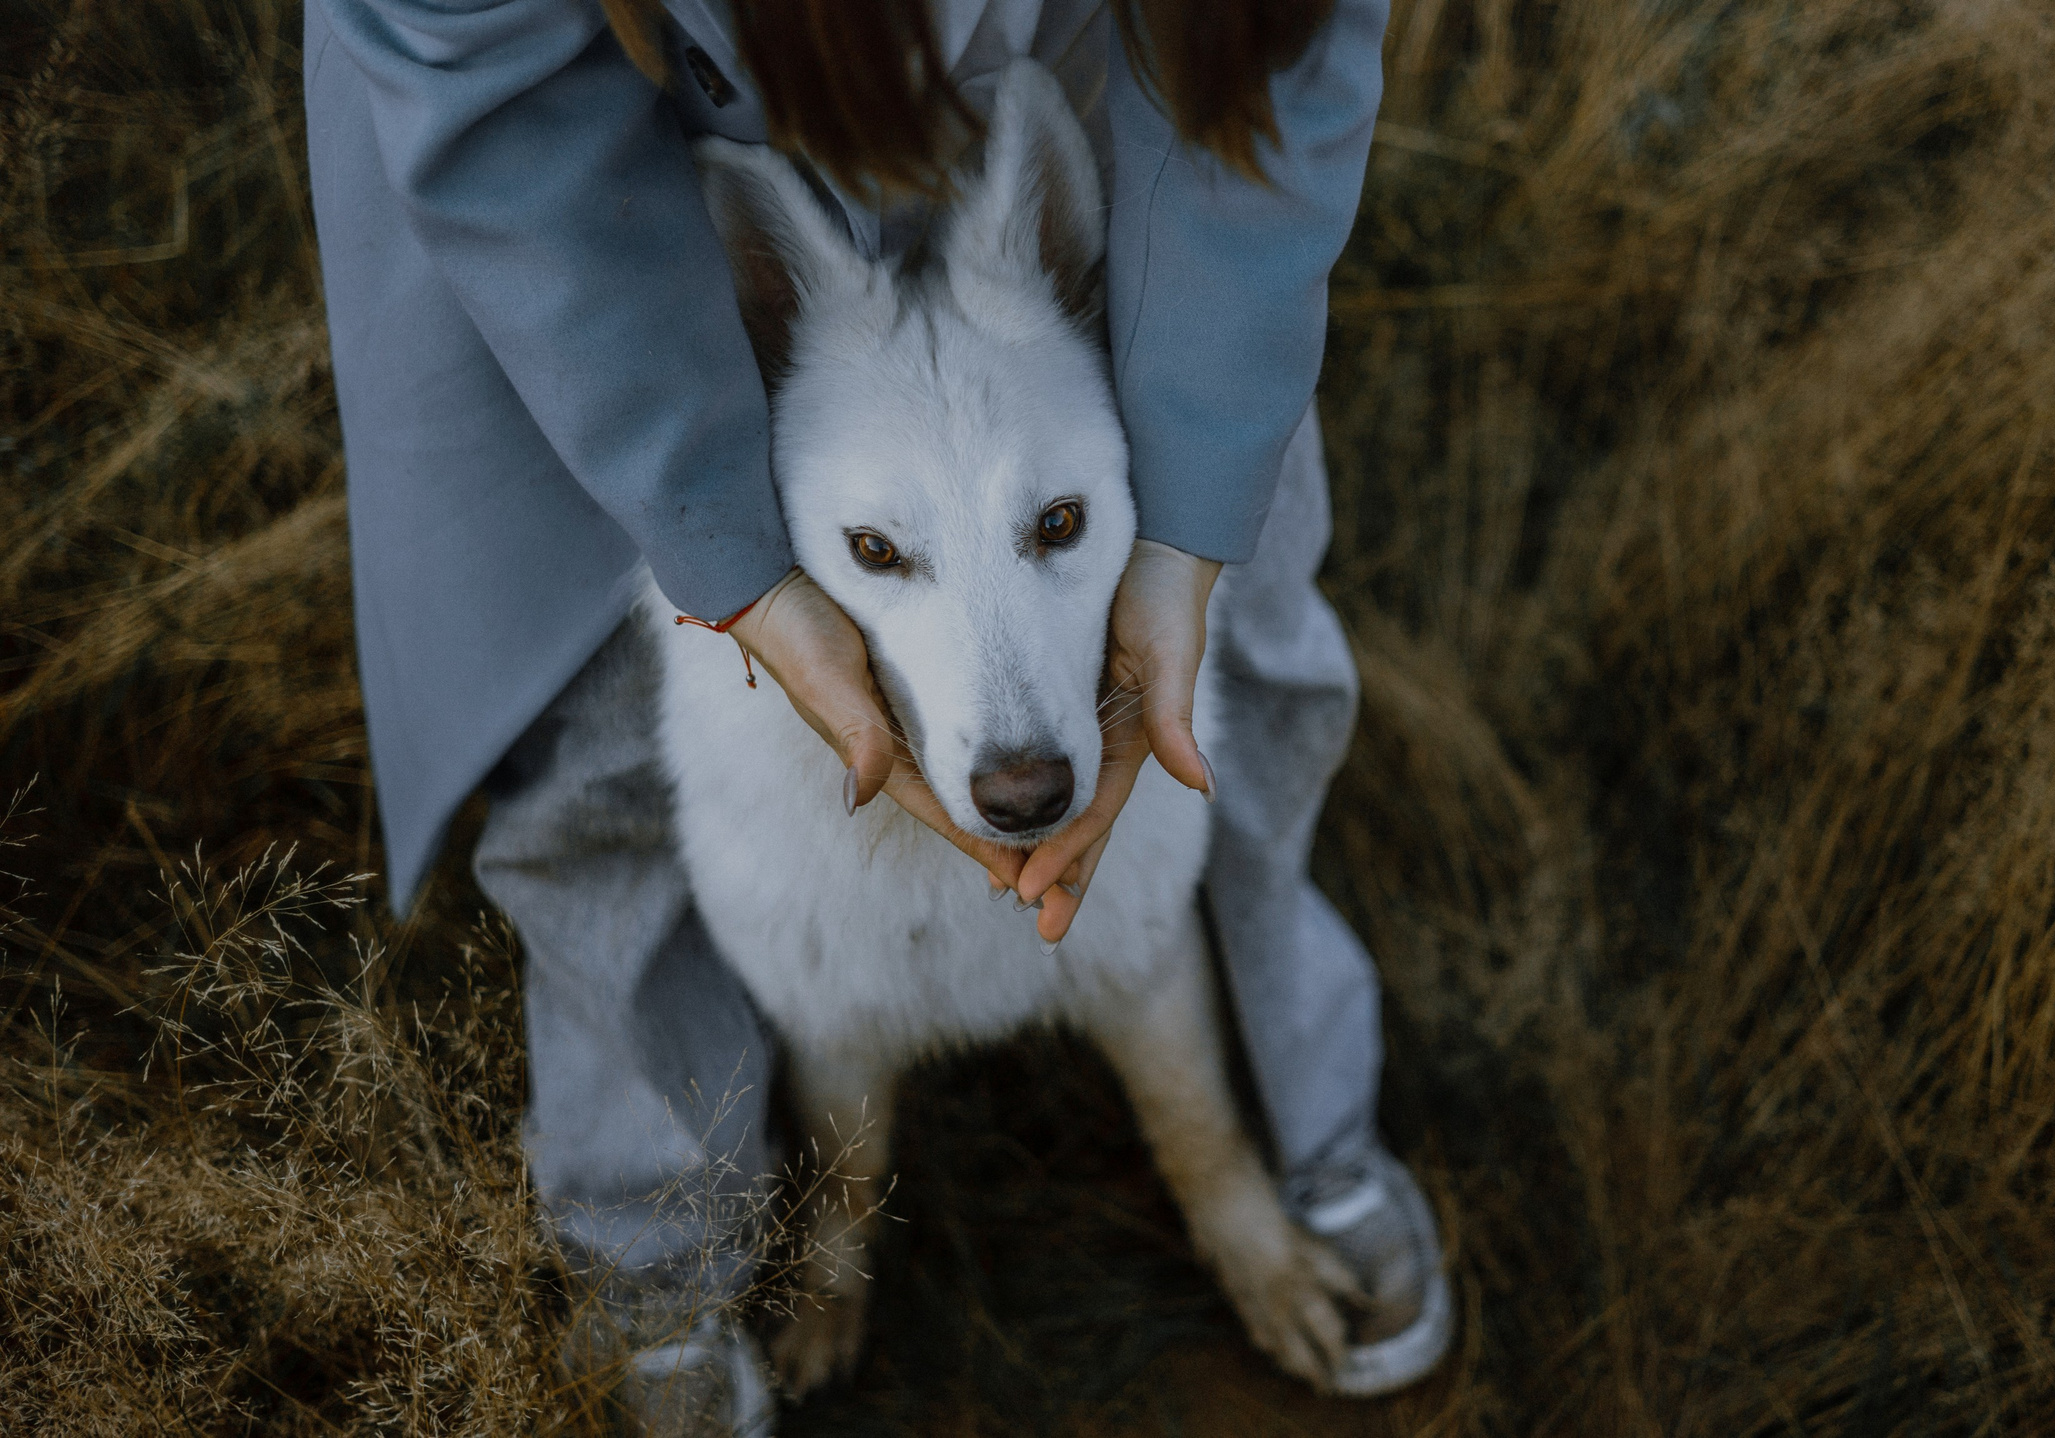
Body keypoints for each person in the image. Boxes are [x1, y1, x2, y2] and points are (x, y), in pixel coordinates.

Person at [303, 0, 1447, 1429]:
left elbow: (1287, 40)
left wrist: (1188, 529)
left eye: (1056, 526)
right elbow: (482, 79)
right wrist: (735, 571)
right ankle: (667, 1258)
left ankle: (1272, 1155)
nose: (1022, 749)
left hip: (1083, 63)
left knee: (1244, 593)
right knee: (596, 748)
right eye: (880, 557)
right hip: (573, 144)